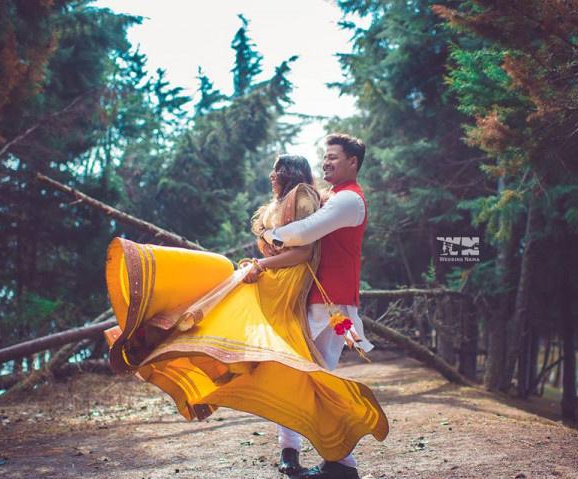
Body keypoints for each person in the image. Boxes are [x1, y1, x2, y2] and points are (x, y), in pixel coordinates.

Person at [103, 154, 388, 476]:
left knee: (296, 371)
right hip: (275, 285)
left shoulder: (306, 198)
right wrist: (259, 264)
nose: (271, 175)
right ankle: (291, 451)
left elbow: (304, 252)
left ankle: (337, 461)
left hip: (288, 291)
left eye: (277, 170)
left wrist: (260, 265)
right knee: (251, 341)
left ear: (288, 173)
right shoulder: (276, 205)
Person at [261, 133, 373, 479]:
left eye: (334, 158)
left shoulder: (350, 201)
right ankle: (326, 460)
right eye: (324, 158)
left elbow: (306, 231)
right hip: (323, 300)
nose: (326, 163)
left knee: (309, 379)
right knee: (309, 378)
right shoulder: (333, 196)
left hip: (331, 305)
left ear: (352, 162)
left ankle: (338, 462)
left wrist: (268, 237)